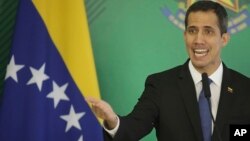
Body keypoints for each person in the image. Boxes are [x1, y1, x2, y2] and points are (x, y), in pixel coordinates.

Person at [87, 1, 250, 141]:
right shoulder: (161, 85)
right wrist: (112, 120)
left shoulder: (245, 88)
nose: (198, 40)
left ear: (224, 39)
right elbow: (133, 128)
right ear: (185, 35)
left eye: (208, 31)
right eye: (192, 31)